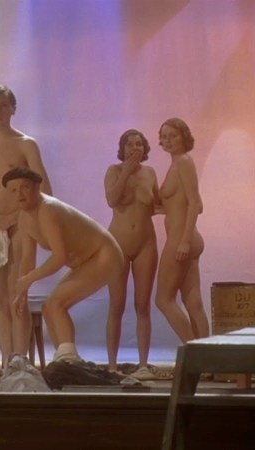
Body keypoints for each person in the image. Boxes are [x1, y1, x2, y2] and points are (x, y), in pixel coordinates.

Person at [0, 85, 52, 365]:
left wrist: (12, 218)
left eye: (4, 105)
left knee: (18, 296)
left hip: (19, 226)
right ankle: (6, 363)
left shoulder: (26, 144)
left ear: (13, 108)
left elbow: (45, 191)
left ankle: (20, 360)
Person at [6, 167, 123, 363]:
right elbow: (27, 258)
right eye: (13, 190)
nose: (19, 194)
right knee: (49, 308)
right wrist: (21, 292)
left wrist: (29, 279)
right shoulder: (24, 218)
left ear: (36, 187)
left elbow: (59, 258)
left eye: (24, 188)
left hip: (103, 255)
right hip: (85, 262)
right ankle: (64, 357)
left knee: (56, 304)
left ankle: (69, 360)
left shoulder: (47, 209)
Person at [104, 130, 160, 378]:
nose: (134, 148)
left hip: (146, 243)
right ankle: (112, 365)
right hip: (117, 244)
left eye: (138, 144)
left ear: (145, 149)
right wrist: (126, 171)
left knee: (143, 305)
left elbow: (158, 204)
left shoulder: (150, 173)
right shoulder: (113, 171)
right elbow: (112, 200)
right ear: (122, 148)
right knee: (116, 305)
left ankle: (143, 365)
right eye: (129, 144)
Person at [154, 118, 209, 342]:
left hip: (181, 239)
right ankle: (206, 354)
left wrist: (184, 241)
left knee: (163, 300)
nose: (168, 141)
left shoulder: (184, 162)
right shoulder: (177, 164)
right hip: (187, 238)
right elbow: (197, 204)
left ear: (184, 137)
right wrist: (164, 208)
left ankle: (192, 350)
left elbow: (194, 203)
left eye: (173, 136)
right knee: (193, 302)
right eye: (164, 137)